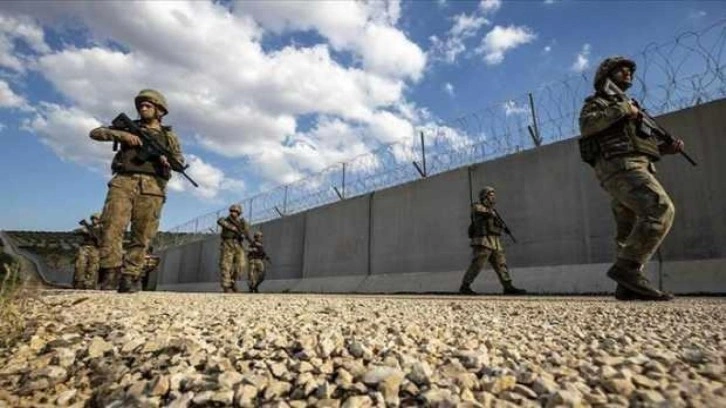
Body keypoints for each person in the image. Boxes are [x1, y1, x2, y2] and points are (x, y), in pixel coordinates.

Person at [578, 56, 684, 301]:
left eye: (630, 70)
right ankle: (628, 269)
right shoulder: (598, 102)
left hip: (634, 165)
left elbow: (638, 144)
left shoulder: (631, 106)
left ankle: (627, 286)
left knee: (627, 227)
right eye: (620, 69)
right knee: (660, 208)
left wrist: (665, 149)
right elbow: (587, 125)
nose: (628, 73)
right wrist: (625, 109)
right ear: (606, 75)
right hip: (619, 166)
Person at [90, 89, 185, 293]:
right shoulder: (130, 128)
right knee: (111, 226)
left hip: (153, 186)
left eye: (148, 105)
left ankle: (131, 276)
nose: (143, 108)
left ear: (160, 110)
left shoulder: (169, 137)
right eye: (141, 105)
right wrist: (122, 135)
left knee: (143, 234)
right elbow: (96, 133)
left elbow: (179, 160)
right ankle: (110, 273)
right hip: (123, 181)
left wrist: (169, 161)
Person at [460, 187, 527, 295]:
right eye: (491, 195)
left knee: (502, 264)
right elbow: (479, 211)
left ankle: (508, 286)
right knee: (477, 265)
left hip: (495, 241)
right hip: (483, 241)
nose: (493, 197)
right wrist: (490, 212)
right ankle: (465, 286)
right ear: (485, 197)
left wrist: (502, 226)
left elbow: (496, 223)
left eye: (493, 195)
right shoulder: (477, 206)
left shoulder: (493, 210)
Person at [217, 204, 251, 293]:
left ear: (239, 213)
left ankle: (233, 282)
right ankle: (226, 285)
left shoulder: (242, 222)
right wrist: (233, 228)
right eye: (231, 211)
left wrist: (245, 235)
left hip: (238, 244)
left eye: (235, 211)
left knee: (241, 264)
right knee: (226, 264)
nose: (233, 213)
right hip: (227, 243)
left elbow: (246, 232)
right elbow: (220, 221)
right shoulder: (226, 220)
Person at [73, 213, 102, 289]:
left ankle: (90, 284)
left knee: (93, 267)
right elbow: (75, 232)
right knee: (80, 265)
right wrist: (82, 231)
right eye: (92, 219)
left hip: (95, 248)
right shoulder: (88, 228)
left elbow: (99, 237)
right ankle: (79, 283)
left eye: (96, 219)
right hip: (84, 247)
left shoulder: (101, 229)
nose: (94, 220)